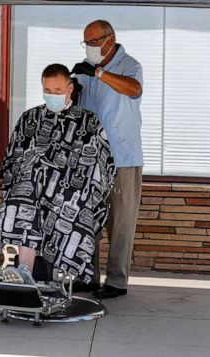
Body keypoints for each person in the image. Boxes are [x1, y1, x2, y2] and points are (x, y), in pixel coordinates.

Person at [0, 64, 115, 286]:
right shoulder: (30, 118)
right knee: (26, 197)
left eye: (58, 91)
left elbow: (101, 165)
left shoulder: (88, 121)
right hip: (32, 192)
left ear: (70, 88)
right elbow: (13, 158)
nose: (53, 96)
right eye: (47, 91)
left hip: (71, 195)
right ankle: (24, 270)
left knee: (29, 201)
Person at [72, 19, 143, 299]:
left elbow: (133, 89)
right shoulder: (85, 70)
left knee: (120, 222)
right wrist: (70, 86)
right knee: (87, 219)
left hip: (123, 158)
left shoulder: (130, 66)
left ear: (109, 39)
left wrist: (99, 73)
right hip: (90, 159)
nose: (89, 48)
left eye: (93, 42)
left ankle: (116, 281)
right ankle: (87, 275)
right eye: (86, 43)